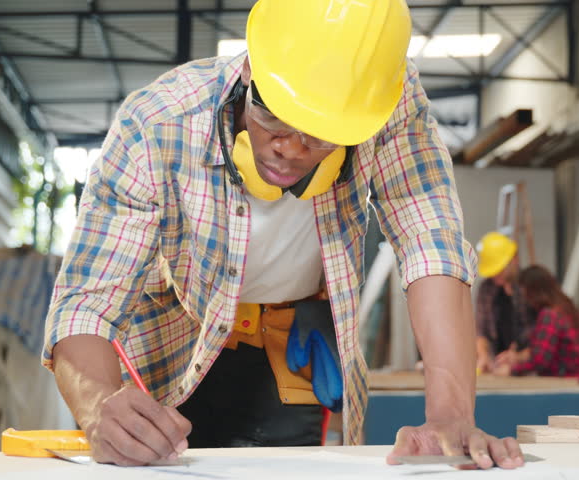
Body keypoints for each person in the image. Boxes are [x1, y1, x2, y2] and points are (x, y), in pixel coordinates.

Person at [41, 0, 524, 470]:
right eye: (273, 116)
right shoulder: (157, 124)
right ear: (251, 67)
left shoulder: (380, 98)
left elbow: (429, 237)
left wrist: (451, 415)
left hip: (287, 348)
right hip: (172, 342)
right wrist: (99, 405)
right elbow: (88, 299)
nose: (289, 151)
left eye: (319, 136)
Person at [494, 265, 579, 379]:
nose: (527, 301)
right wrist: (517, 357)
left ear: (535, 292)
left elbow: (540, 361)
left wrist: (511, 370)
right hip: (576, 379)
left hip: (563, 382)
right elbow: (546, 350)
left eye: (527, 295)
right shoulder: (567, 307)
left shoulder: (550, 315)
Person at [474, 232, 536, 373]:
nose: (495, 275)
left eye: (500, 270)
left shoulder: (531, 287)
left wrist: (519, 357)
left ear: (514, 260)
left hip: (530, 367)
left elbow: (544, 341)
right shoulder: (487, 288)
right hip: (498, 367)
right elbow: (481, 330)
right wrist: (483, 357)